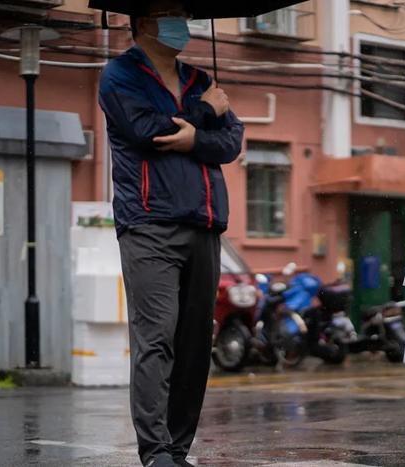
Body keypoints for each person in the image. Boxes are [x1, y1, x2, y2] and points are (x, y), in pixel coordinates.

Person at [98, 1, 244, 466]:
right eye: (169, 14)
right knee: (156, 338)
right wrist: (202, 114)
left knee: (196, 343)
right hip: (148, 224)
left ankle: (178, 450)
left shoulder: (201, 80)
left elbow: (231, 140)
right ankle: (156, 451)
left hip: (203, 224)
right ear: (142, 23)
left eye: (183, 14)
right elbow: (145, 131)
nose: (180, 24)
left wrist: (194, 136)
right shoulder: (120, 76)